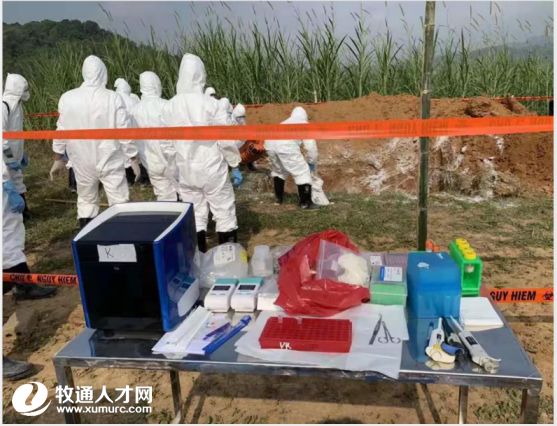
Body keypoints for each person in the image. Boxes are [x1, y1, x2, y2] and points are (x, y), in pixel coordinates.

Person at [162, 54, 241, 252]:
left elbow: (166, 144)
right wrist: (234, 163)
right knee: (224, 212)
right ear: (201, 75)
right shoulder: (211, 104)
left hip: (185, 169)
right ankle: (227, 259)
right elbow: (226, 138)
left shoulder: (169, 106)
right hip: (211, 167)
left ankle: (199, 258)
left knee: (195, 215)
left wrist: (173, 169)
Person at [49, 55, 140, 228]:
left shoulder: (68, 98)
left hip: (81, 160)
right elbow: (124, 131)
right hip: (110, 158)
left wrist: (58, 158)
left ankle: (88, 237)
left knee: (86, 200)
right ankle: (122, 238)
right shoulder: (113, 97)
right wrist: (133, 158)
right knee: (119, 200)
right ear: (103, 73)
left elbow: (61, 130)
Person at [131, 71, 178, 201]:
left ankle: (169, 213)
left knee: (164, 195)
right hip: (171, 159)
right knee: (186, 192)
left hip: (150, 161)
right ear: (157, 84)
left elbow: (133, 138)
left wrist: (135, 159)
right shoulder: (167, 105)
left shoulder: (134, 111)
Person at [264, 106, 321, 210]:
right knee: (302, 172)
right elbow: (310, 147)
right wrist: (311, 162)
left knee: (279, 171)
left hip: (270, 143)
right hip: (285, 145)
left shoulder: (285, 122)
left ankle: (278, 199)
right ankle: (306, 203)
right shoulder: (304, 124)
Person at [3, 73, 32, 221]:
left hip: (15, 153)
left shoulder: (17, 106)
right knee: (6, 182)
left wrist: (21, 152)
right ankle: (10, 215)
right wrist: (9, 158)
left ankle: (24, 212)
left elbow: (16, 132)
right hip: (5, 155)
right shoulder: (3, 106)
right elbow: (2, 137)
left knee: (18, 180)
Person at [114, 78, 145, 185]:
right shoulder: (132, 100)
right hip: (133, 132)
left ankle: (126, 180)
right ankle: (135, 179)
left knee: (121, 156)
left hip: (116, 135)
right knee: (132, 155)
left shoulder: (113, 99)